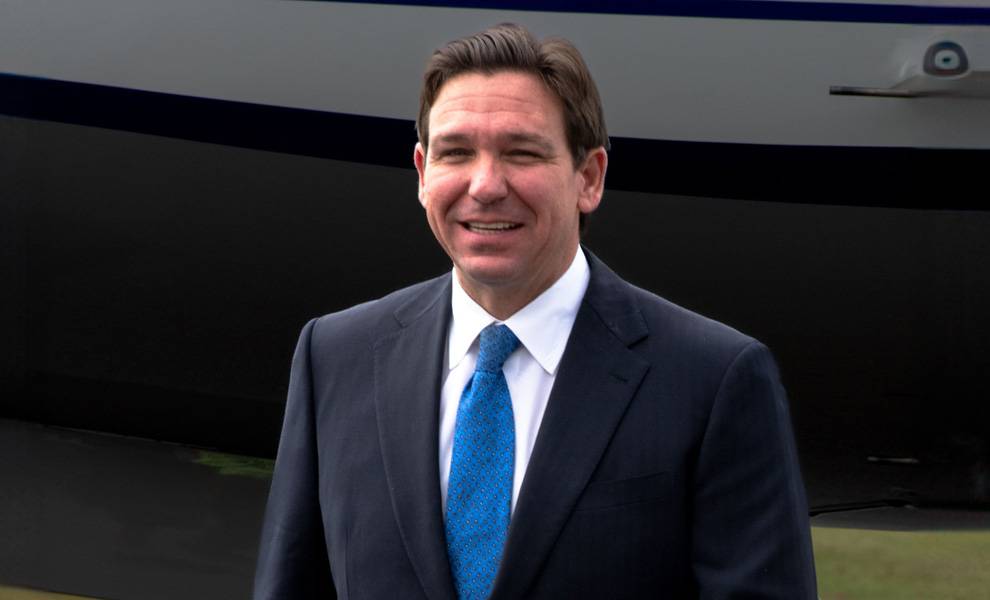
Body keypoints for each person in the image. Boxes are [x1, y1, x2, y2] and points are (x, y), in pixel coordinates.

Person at [254, 23, 817, 600]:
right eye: (456, 153)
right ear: (422, 174)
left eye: (521, 153)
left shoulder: (712, 378)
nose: (486, 185)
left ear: (589, 178)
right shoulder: (336, 356)